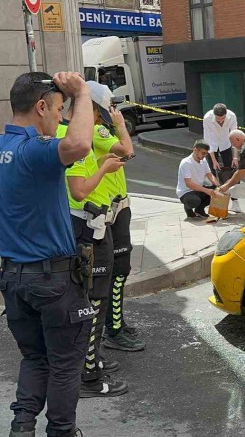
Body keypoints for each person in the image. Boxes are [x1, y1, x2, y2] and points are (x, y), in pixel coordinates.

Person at [0, 71, 95, 437]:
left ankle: (22, 428)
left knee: (34, 358)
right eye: (58, 110)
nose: (61, 119)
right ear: (41, 106)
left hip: (13, 279)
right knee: (66, 364)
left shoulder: (4, 150)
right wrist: (82, 93)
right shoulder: (34, 150)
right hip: (52, 281)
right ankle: (62, 431)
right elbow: (79, 146)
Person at [56, 98, 129, 399]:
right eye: (88, 110)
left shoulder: (78, 140)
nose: (96, 119)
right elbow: (79, 189)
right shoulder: (73, 141)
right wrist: (104, 168)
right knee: (93, 301)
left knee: (90, 298)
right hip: (85, 228)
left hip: (91, 225)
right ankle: (88, 374)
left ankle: (90, 361)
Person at [87, 81, 146, 353]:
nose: (114, 111)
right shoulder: (97, 129)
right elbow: (128, 150)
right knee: (117, 271)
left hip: (115, 206)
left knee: (116, 272)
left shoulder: (97, 130)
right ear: (99, 109)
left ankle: (115, 322)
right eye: (111, 106)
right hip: (110, 209)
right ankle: (113, 329)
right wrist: (121, 125)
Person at [203, 103, 241, 213]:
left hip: (226, 143)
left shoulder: (232, 116)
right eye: (218, 119)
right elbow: (208, 140)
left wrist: (235, 157)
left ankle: (235, 201)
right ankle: (217, 203)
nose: (220, 121)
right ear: (214, 115)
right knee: (213, 172)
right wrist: (214, 160)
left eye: (223, 118)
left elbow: (235, 136)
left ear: (226, 114)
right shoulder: (207, 118)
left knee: (233, 172)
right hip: (212, 146)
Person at [177, 140, 221, 218]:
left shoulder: (203, 161)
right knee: (195, 200)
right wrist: (206, 190)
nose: (204, 156)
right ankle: (188, 208)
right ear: (195, 150)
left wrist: (219, 187)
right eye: (203, 153)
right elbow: (189, 184)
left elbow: (210, 175)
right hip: (186, 192)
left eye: (206, 154)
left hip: (198, 189)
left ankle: (199, 210)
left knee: (216, 191)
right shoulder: (186, 163)